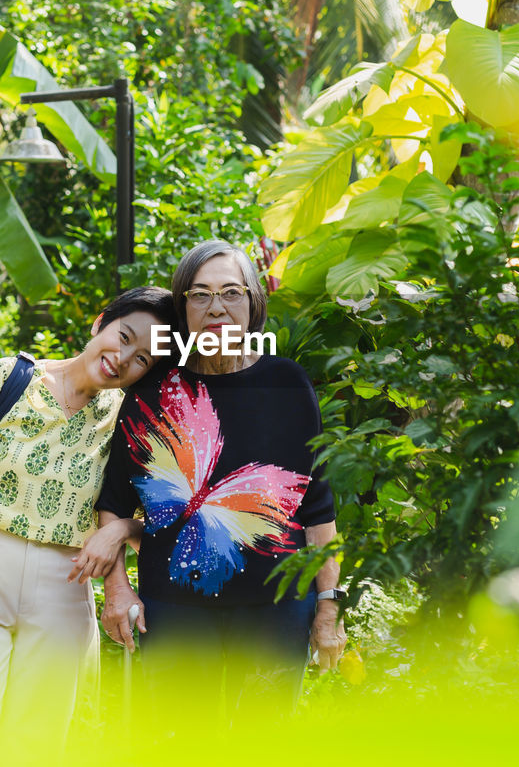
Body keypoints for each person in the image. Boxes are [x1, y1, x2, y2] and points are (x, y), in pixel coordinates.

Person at [0, 286, 175, 765]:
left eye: (141, 359)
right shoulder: (10, 378)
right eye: (124, 337)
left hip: (64, 582)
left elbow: (161, 514)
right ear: (100, 323)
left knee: (37, 748)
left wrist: (121, 531)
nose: (123, 358)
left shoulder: (128, 422)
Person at [95, 240, 347, 716]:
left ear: (254, 303)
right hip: (174, 612)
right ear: (182, 306)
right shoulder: (153, 390)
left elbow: (318, 508)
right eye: (199, 294)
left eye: (231, 292)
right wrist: (117, 588)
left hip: (279, 608)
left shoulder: (287, 383)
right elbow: (113, 500)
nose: (216, 308)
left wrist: (328, 608)